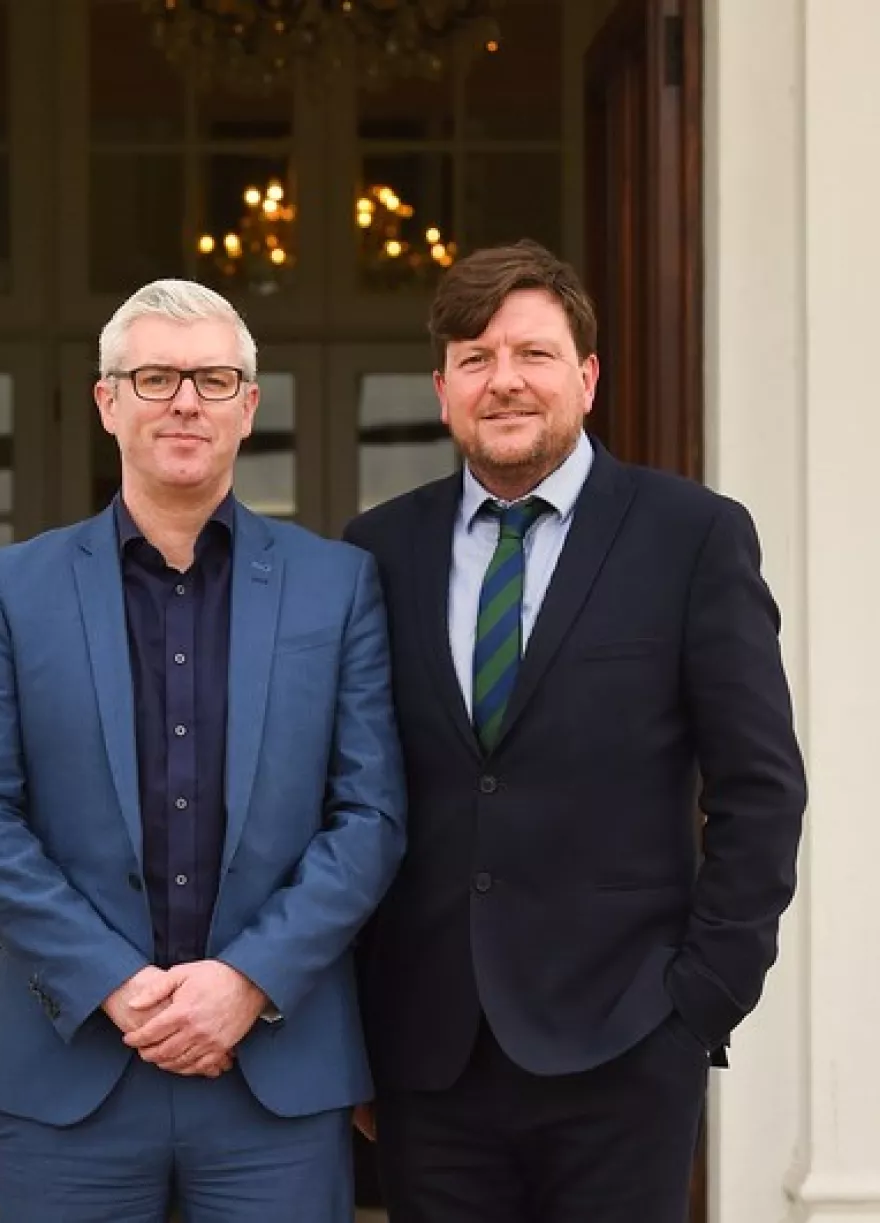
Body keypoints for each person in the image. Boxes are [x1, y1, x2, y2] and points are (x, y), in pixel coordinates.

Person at [344, 240, 806, 1223]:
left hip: (625, 1042)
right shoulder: (375, 551)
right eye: (473, 357)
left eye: (532, 354)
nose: (502, 379)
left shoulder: (690, 536)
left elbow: (758, 785)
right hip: (428, 1056)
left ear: (586, 377)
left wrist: (699, 1001)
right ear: (441, 389)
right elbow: (344, 794)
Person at [0, 278, 406, 1223]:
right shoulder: (12, 590)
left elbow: (371, 817)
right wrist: (113, 984)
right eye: (155, 376)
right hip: (70, 1077)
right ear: (107, 401)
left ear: (249, 406)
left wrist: (247, 981)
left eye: (213, 378)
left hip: (274, 1077)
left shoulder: (338, 586)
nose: (185, 400)